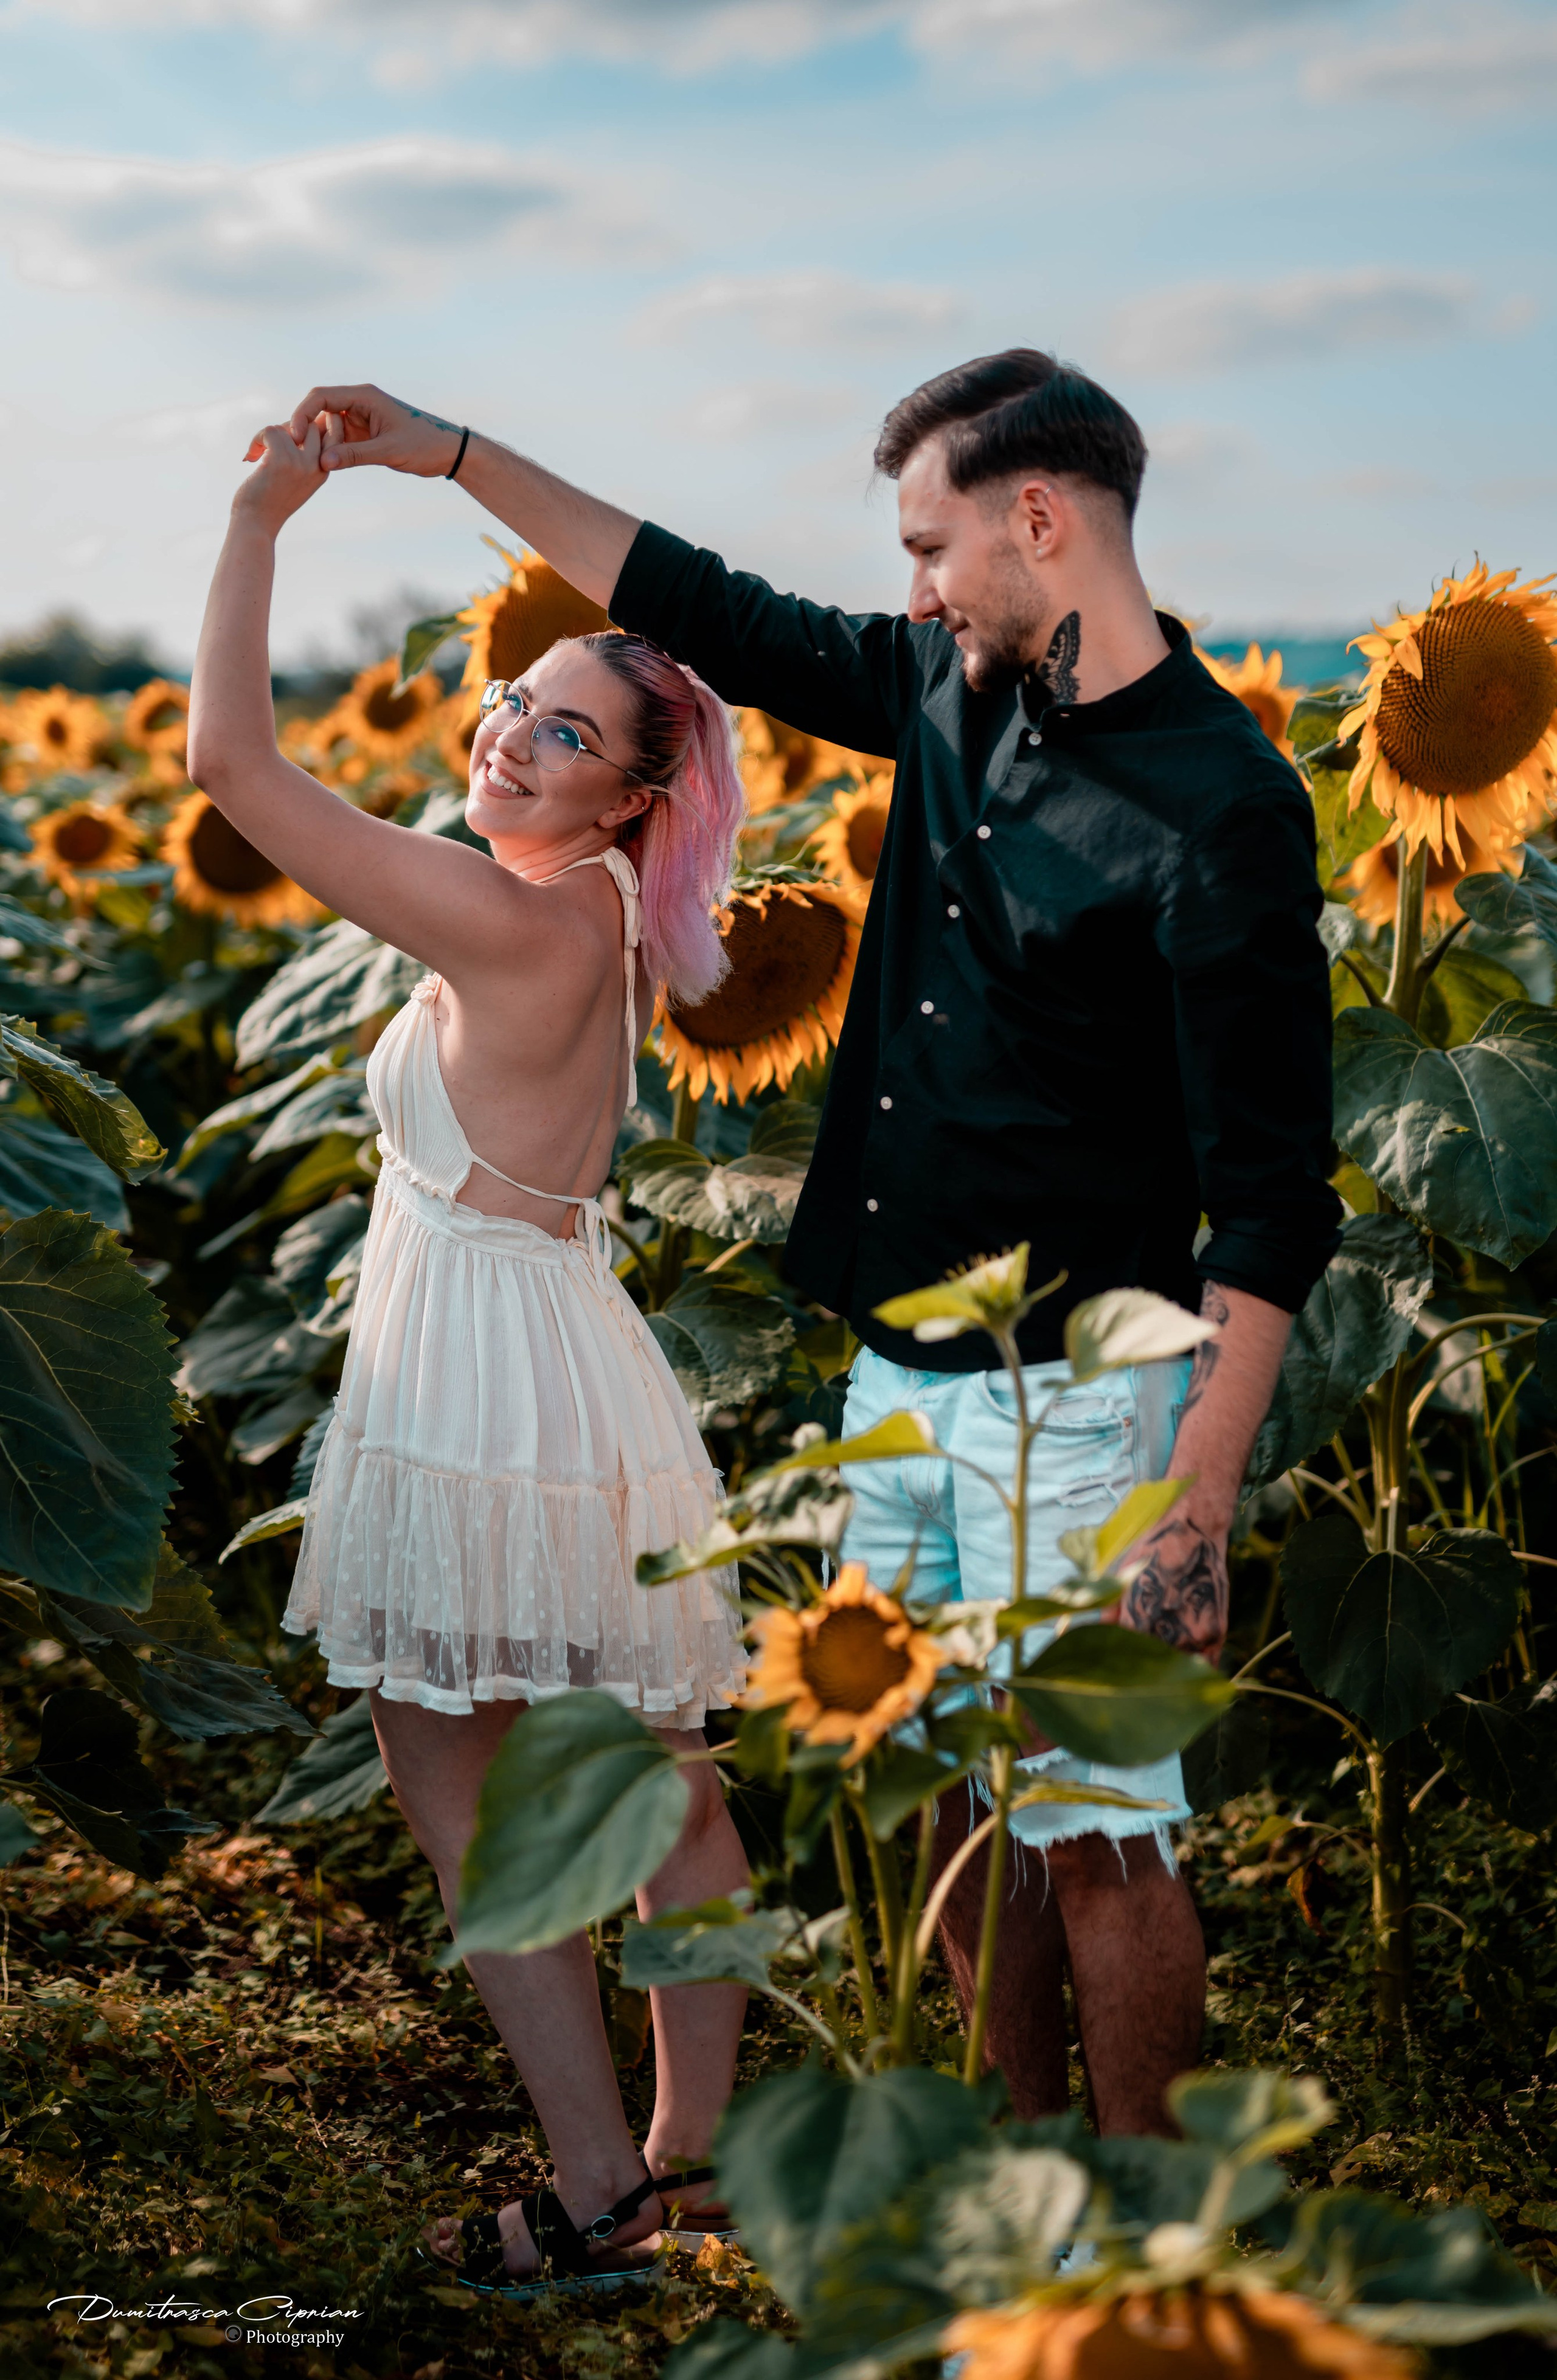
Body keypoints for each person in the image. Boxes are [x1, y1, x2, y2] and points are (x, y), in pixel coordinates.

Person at [269, 353, 1340, 2134]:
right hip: (900, 1365)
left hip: (1081, 1395)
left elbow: (1277, 1191)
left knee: (1107, 1833)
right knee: (951, 1800)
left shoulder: (1224, 804)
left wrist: (1201, 1502)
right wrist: (449, 452)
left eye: (932, 546)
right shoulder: (942, 684)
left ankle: (1147, 2221)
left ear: (1043, 520)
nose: (911, 586)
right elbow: (693, 600)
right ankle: (1008, 2175)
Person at [186, 417, 751, 2286]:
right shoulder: (588, 910)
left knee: (465, 1788)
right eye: (518, 695)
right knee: (660, 1767)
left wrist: (264, 513)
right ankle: (693, 2155)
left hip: (480, 1383)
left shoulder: (513, 916)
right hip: (567, 1354)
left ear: (623, 807)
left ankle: (597, 2193)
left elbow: (233, 769)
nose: (513, 730)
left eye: (568, 733)